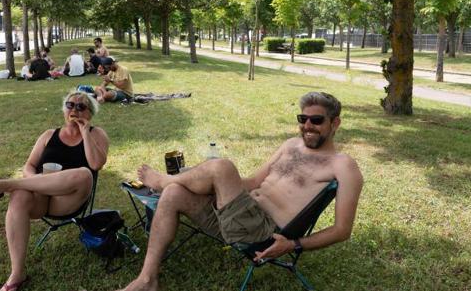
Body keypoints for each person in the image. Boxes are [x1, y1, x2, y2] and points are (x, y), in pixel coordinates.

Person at [117, 92, 363, 291]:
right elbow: (254, 181)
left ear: (335, 123)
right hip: (235, 218)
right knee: (174, 194)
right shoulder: (290, 145)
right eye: (303, 119)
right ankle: (148, 280)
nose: (308, 125)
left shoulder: (343, 165)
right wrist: (216, 183)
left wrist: (294, 244)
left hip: (263, 233)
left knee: (221, 167)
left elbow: (342, 231)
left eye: (317, 120)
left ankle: (163, 180)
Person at [0, 91, 109, 291]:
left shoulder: (96, 134)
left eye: (81, 107)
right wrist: (34, 180)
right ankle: (17, 273)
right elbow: (29, 165)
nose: (74, 109)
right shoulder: (49, 135)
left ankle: (7, 185)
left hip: (68, 199)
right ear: (64, 109)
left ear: (90, 113)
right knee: (20, 195)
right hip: (40, 197)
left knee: (84, 174)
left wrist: (85, 133)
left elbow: (96, 164)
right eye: (70, 104)